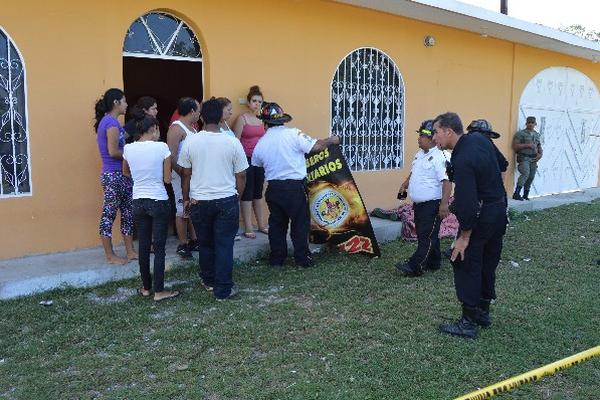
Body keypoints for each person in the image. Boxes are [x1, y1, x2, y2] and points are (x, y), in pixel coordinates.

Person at [432, 112, 507, 339]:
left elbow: (466, 202)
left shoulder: (462, 157)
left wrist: (464, 236)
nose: (433, 137)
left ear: (448, 131)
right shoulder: (480, 139)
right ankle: (483, 313)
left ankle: (468, 322)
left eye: (435, 132)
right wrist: (495, 194)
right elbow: (502, 164)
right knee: (487, 261)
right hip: (498, 210)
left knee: (464, 261)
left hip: (482, 214)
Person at [251, 102, 340, 269]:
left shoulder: (261, 144)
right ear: (282, 121)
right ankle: (302, 260)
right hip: (294, 188)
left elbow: (257, 164)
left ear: (265, 123)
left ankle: (277, 260)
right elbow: (317, 146)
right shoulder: (293, 134)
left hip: (274, 189)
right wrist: (332, 140)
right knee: (300, 224)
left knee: (277, 224)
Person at [179, 99, 248, 300]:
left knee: (206, 243)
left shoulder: (191, 140)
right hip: (226, 199)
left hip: (199, 201)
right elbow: (242, 175)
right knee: (224, 245)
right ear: (220, 117)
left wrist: (185, 199)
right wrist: (237, 196)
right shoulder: (232, 141)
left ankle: (209, 280)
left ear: (201, 117)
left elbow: (185, 174)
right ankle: (223, 289)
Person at [123, 116, 180, 301]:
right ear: (154, 129)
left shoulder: (128, 148)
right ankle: (160, 291)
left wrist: (141, 178)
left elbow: (125, 171)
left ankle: (146, 288)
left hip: (138, 200)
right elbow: (167, 179)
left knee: (144, 246)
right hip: (158, 200)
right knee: (160, 247)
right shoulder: (161, 147)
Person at [395, 120, 451, 277]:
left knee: (426, 235)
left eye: (422, 135)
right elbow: (415, 172)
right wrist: (405, 184)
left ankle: (415, 265)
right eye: (419, 135)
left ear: (433, 137)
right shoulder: (420, 155)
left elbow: (447, 182)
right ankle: (434, 262)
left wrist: (444, 205)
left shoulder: (441, 156)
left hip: (433, 204)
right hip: (419, 204)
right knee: (427, 233)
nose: (419, 138)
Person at [94, 88, 137, 264]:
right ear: (116, 103)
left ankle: (130, 251)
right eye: (125, 101)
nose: (127, 104)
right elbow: (113, 151)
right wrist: (131, 155)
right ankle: (110, 255)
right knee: (109, 214)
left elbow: (122, 139)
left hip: (123, 174)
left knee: (128, 213)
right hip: (113, 175)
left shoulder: (114, 123)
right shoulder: (110, 123)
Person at [167, 98, 200, 258]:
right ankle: (183, 243)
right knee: (182, 209)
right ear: (192, 111)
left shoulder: (192, 129)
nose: (200, 113)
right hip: (181, 176)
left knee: (192, 207)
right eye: (198, 110)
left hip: (192, 176)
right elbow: (171, 155)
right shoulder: (176, 128)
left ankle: (194, 239)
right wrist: (182, 173)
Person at [233, 85, 268, 239]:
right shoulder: (242, 119)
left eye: (260, 102)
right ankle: (248, 226)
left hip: (259, 161)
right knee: (247, 193)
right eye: (254, 101)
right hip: (245, 160)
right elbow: (235, 141)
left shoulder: (262, 120)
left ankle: (261, 224)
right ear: (248, 102)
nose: (257, 104)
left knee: (258, 192)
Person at [512, 116, 543, 200]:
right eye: (529, 122)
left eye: (532, 123)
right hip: (524, 157)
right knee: (525, 173)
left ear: (535, 124)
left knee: (531, 176)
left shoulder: (536, 134)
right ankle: (516, 193)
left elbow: (539, 145)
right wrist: (527, 145)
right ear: (526, 123)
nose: (530, 124)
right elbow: (515, 146)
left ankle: (526, 194)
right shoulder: (520, 134)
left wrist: (540, 154)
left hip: (533, 159)